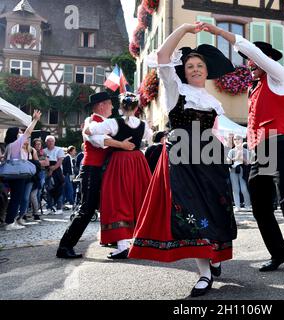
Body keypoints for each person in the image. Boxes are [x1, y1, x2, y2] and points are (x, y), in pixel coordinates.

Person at [200, 22, 284, 291]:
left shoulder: (280, 77)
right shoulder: (254, 88)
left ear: (263, 62)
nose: (249, 65)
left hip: (279, 145)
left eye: (253, 62)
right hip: (261, 150)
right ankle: (279, 252)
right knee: (259, 206)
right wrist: (246, 148)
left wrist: (219, 32)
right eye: (249, 63)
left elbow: (251, 51)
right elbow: (254, 125)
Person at [128, 23, 237, 297]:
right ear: (183, 71)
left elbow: (214, 132)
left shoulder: (213, 102)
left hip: (210, 159)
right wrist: (186, 28)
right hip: (182, 157)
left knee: (216, 208)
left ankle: (214, 254)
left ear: (207, 70)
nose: (196, 69)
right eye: (190, 66)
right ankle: (203, 273)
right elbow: (163, 57)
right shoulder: (176, 90)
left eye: (200, 65)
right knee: (193, 211)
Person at [56, 92, 136, 259]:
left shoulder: (104, 122)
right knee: (87, 209)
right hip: (92, 169)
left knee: (109, 205)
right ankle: (65, 246)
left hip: (102, 169)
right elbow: (97, 140)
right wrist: (121, 144)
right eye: (110, 104)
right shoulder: (91, 121)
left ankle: (115, 240)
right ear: (101, 105)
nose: (113, 107)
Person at [84, 92, 153, 259]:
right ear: (137, 107)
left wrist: (88, 127)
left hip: (120, 162)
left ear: (122, 107)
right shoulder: (144, 125)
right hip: (138, 162)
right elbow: (150, 139)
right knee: (138, 197)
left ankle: (123, 245)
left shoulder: (113, 123)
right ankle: (141, 241)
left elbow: (90, 131)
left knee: (119, 199)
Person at [3, 110, 41, 231]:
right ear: (15, 134)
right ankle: (9, 222)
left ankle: (10, 220)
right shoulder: (16, 144)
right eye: (19, 132)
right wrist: (35, 119)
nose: (21, 134)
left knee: (15, 197)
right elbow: (28, 132)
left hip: (12, 174)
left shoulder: (9, 145)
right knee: (16, 198)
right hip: (18, 175)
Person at [227, 134, 251, 211]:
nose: (236, 141)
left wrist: (242, 158)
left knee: (244, 188)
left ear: (242, 140)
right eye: (235, 139)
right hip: (233, 170)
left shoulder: (246, 151)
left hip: (243, 170)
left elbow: (248, 163)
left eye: (238, 139)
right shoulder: (231, 151)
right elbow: (228, 161)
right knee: (235, 189)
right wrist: (236, 158)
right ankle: (237, 206)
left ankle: (247, 205)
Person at [43, 135, 65, 215]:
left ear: (54, 142)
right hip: (47, 171)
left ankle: (59, 208)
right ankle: (49, 207)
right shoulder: (44, 151)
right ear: (46, 142)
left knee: (59, 189)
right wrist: (49, 170)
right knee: (49, 190)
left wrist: (53, 169)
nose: (50, 142)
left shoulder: (59, 149)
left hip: (57, 171)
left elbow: (60, 161)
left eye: (52, 141)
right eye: (49, 141)